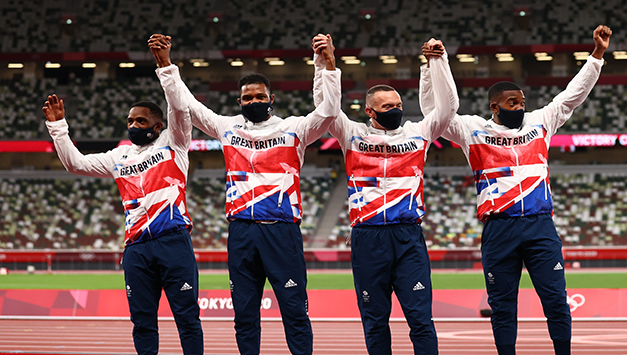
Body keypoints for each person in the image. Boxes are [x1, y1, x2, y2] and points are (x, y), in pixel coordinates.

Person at [420, 25, 613, 355]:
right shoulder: (472, 130)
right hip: (499, 229)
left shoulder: (541, 122)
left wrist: (597, 55)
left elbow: (572, 96)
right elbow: (433, 114)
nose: (520, 106)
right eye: (512, 102)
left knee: (555, 299)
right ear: (494, 106)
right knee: (503, 305)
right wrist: (432, 67)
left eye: (522, 101)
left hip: (540, 227)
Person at [148, 33, 342, 355]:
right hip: (241, 231)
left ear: (271, 98)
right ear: (239, 102)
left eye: (259, 96)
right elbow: (187, 105)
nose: (254, 102)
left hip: (282, 230)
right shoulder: (226, 127)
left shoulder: (294, 128)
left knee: (294, 311)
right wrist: (166, 65)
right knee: (245, 315)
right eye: (247, 98)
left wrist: (326, 64)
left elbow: (329, 111)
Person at [312, 35, 458, 355]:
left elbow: (448, 107)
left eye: (398, 106)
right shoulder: (351, 134)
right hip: (368, 238)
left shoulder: (418, 133)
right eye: (387, 107)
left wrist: (437, 62)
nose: (395, 111)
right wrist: (325, 64)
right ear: (369, 111)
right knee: (375, 321)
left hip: (408, 238)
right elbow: (326, 108)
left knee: (420, 320)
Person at [42, 79, 203, 352]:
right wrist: (58, 127)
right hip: (137, 249)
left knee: (187, 318)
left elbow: (178, 107)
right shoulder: (119, 156)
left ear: (158, 126)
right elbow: (75, 164)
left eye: (141, 121)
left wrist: (165, 67)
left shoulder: (174, 142)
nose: (133, 126)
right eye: (130, 121)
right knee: (142, 322)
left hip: (172, 242)